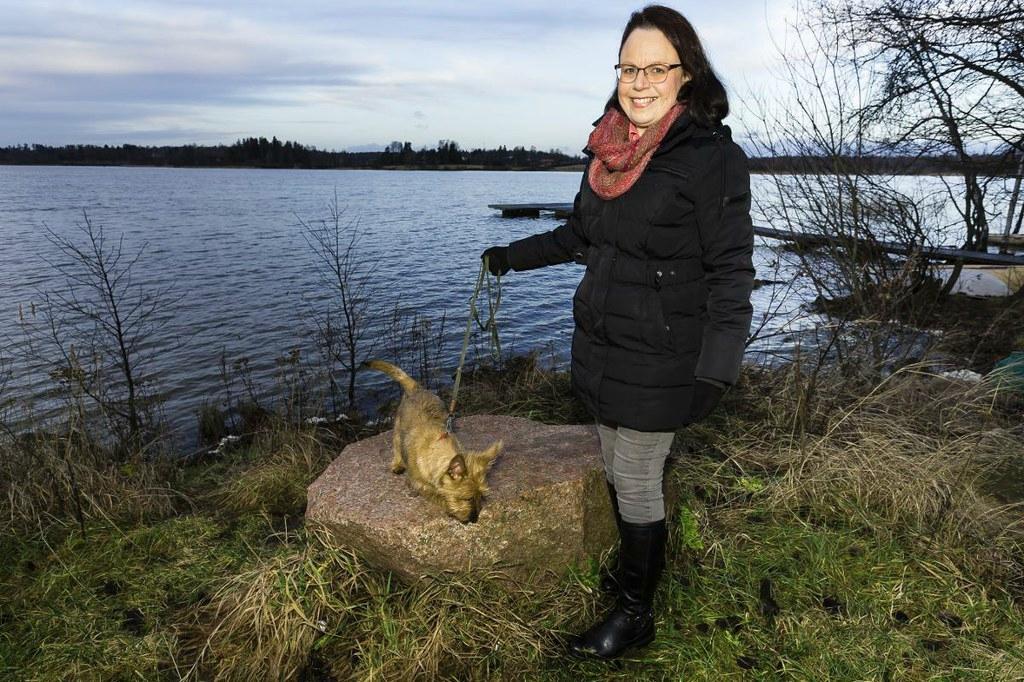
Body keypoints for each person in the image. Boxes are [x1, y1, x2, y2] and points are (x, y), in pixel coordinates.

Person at [482, 4, 754, 660]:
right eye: (628, 67)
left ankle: (635, 614)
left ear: (687, 74)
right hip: (601, 347)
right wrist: (510, 256)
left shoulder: (710, 158)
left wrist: (716, 370)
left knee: (633, 476)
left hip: (664, 356)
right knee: (614, 466)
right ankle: (637, 566)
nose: (639, 81)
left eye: (656, 67)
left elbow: (731, 273)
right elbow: (583, 233)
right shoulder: (607, 149)